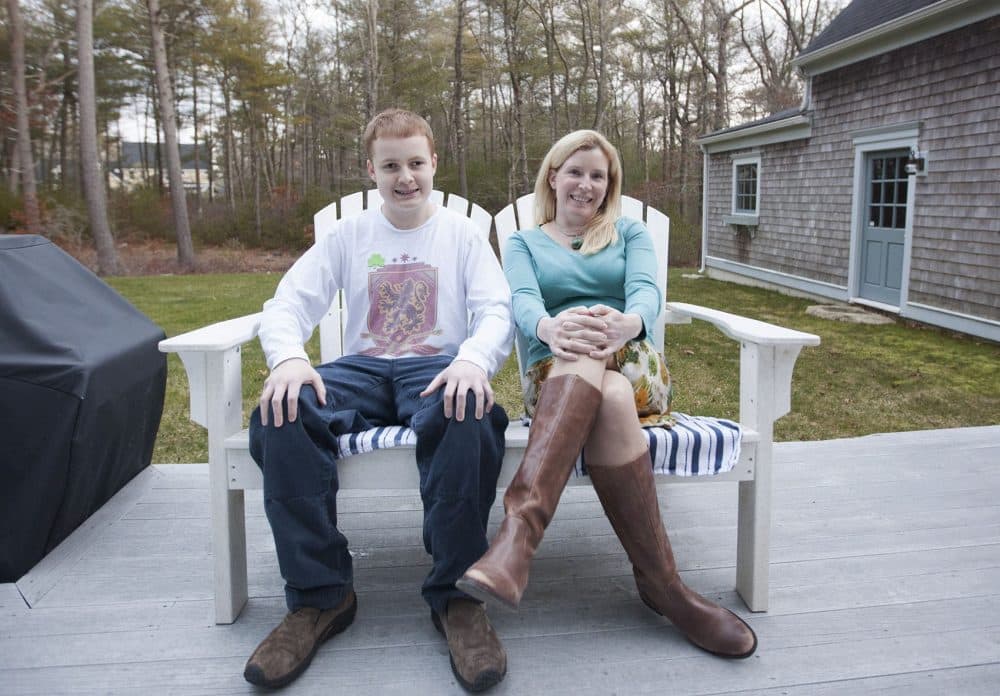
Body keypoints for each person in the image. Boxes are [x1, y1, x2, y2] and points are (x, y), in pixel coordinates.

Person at [456, 130, 757, 659]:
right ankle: (666, 587)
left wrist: (627, 322)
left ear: (609, 185)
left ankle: (517, 540)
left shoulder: (630, 233)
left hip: (636, 362)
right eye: (576, 172)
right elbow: (523, 302)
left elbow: (646, 291)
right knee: (604, 389)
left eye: (598, 176)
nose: (586, 184)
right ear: (553, 176)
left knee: (601, 362)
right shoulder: (524, 243)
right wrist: (551, 329)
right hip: (556, 373)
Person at [244, 108, 514, 692]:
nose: (405, 176)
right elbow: (287, 304)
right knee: (281, 412)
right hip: (360, 368)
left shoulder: (462, 235)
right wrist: (289, 360)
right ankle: (320, 597)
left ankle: (458, 598)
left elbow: (497, 309)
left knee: (469, 412)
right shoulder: (348, 234)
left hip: (435, 368)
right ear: (371, 170)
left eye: (416, 162)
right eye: (391, 165)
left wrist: (472, 361)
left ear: (434, 162)